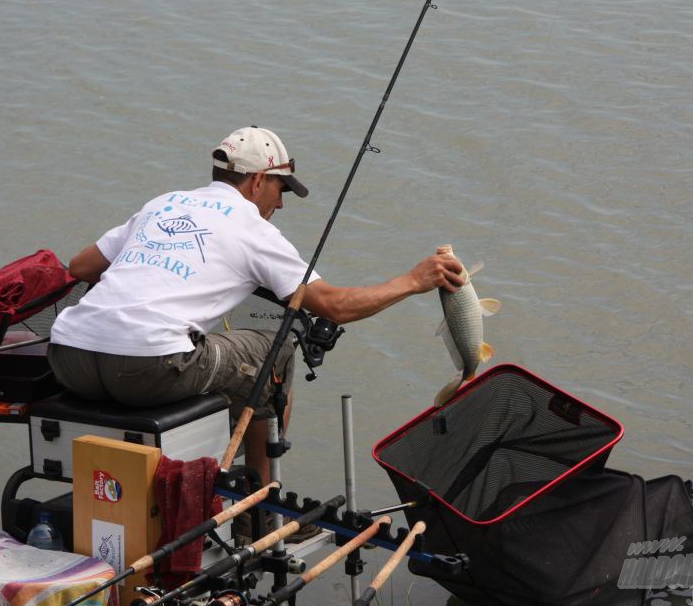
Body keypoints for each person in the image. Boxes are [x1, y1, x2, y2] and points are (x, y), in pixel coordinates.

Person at [48, 126, 464, 486]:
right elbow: (335, 306)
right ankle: (260, 508)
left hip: (69, 357)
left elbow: (81, 266)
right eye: (281, 191)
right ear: (258, 180)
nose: (280, 205)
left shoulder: (164, 203)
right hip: (148, 369)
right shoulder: (252, 229)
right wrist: (412, 281)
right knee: (277, 349)